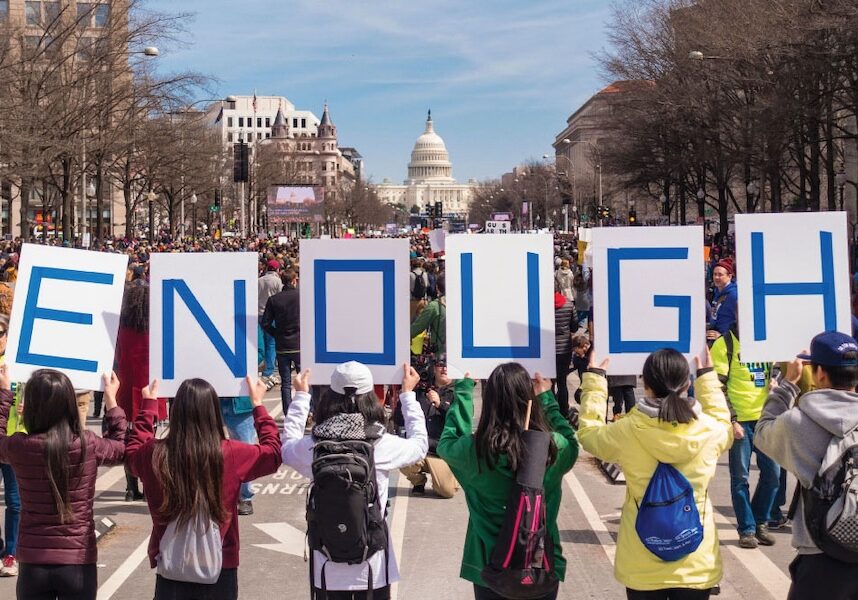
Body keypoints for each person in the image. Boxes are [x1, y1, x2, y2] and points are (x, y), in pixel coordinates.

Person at [578, 348, 733, 599]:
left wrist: (595, 379)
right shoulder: (710, 430)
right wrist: (707, 377)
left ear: (644, 382)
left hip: (642, 561)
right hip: (696, 563)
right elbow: (724, 423)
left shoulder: (626, 430)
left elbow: (588, 436)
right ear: (687, 382)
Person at [126, 376, 281, 600]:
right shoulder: (231, 453)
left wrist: (148, 406)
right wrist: (258, 406)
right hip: (220, 565)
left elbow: (131, 455)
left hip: (172, 563)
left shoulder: (155, 453)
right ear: (213, 413)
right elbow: (274, 454)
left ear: (176, 412)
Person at [281, 362, 428, 599]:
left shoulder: (315, 444)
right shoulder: (380, 442)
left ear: (330, 396)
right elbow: (420, 446)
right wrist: (408, 396)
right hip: (374, 564)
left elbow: (286, 449)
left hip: (326, 563)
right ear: (370, 397)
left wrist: (300, 398)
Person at [436, 363, 578, 600]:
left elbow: (447, 443)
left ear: (490, 400)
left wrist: (463, 391)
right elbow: (571, 442)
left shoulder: (475, 451)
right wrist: (546, 399)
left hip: (489, 566)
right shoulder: (553, 449)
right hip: (540, 563)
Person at [0, 368, 127, 600]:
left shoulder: (20, 446)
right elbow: (120, 447)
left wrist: (4, 394)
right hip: (78, 562)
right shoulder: (87, 444)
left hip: (33, 564)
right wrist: (111, 400)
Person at [755, 331, 858, 600]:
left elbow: (763, 434)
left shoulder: (798, 422)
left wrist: (787, 385)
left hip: (820, 550)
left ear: (819, 373)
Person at [711, 325, 779, 549]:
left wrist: (775, 379)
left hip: (766, 420)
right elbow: (716, 386)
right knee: (740, 477)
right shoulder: (726, 344)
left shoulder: (766, 338)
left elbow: (776, 366)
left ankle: (760, 521)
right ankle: (747, 529)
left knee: (773, 475)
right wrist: (731, 419)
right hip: (740, 421)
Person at [116, 284, 166, 502]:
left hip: (127, 388)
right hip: (153, 388)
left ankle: (130, 488)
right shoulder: (158, 329)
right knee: (151, 439)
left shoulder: (121, 329)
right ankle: (148, 487)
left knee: (129, 438)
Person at [400, 357, 459, 498]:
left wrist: (441, 405)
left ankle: (450, 476)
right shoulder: (421, 391)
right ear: (434, 368)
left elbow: (460, 422)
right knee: (400, 454)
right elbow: (399, 419)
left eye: (448, 366)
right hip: (420, 448)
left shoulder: (458, 394)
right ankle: (418, 482)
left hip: (442, 452)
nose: (444, 369)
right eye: (441, 365)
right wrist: (406, 392)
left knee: (446, 492)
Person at [261, 268, 300, 415]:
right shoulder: (301, 297)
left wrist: (276, 333)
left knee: (286, 382)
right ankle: (307, 409)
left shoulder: (274, 300)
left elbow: (265, 323)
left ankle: (288, 411)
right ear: (294, 280)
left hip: (282, 344)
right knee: (303, 380)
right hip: (298, 342)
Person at [0, 314, 20, 577]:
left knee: (15, 501)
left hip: (15, 440)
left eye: (0, 332)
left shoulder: (17, 363)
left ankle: (11, 554)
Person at [258, 259, 283, 388]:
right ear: (277, 269)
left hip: (259, 313)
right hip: (272, 314)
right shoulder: (277, 281)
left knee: (260, 343)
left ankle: (263, 368)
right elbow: (280, 296)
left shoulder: (259, 280)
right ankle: (269, 371)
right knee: (271, 344)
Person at [553, 283, 576, 416]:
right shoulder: (568, 304)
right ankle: (564, 410)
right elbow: (574, 326)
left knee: (548, 382)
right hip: (564, 348)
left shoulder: (543, 306)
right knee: (562, 382)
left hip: (548, 348)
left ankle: (549, 411)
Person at [707, 259, 737, 342]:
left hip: (727, 343)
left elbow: (741, 322)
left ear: (729, 276)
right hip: (715, 340)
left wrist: (722, 336)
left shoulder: (734, 295)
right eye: (714, 274)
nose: (716, 277)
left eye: (720, 275)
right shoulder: (717, 292)